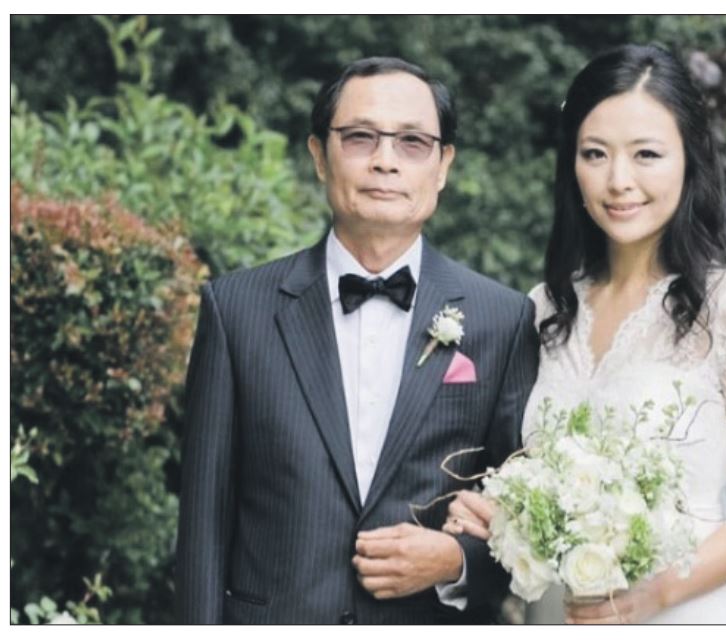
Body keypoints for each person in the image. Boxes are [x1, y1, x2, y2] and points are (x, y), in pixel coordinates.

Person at [443, 44, 726, 624]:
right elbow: (523, 473)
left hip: (682, 613)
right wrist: (502, 516)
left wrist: (658, 594)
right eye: (595, 154)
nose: (619, 180)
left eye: (646, 154)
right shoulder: (544, 310)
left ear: (689, 159)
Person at [176, 57, 538, 623]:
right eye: (360, 137)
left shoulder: (504, 319)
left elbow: (526, 521)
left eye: (412, 142)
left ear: (443, 165)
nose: (384, 161)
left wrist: (455, 561)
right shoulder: (236, 309)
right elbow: (202, 523)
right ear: (320, 155)